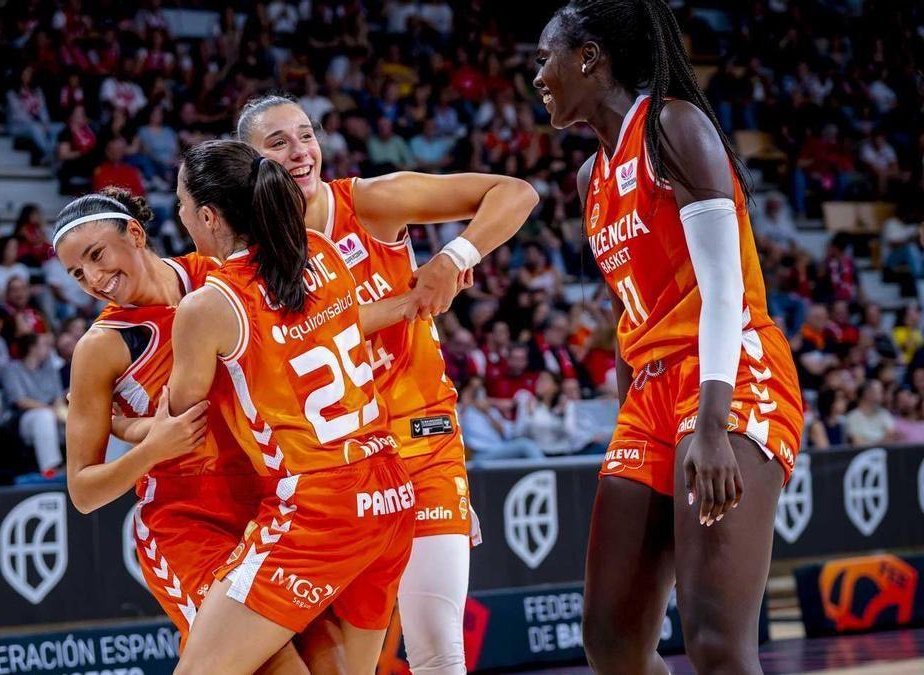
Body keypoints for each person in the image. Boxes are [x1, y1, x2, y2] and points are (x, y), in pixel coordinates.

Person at [532, 2, 805, 672]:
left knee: (716, 642)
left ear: (591, 57)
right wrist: (631, 413)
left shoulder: (674, 126)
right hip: (650, 396)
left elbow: (723, 293)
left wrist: (712, 427)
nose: (539, 75)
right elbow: (636, 317)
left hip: (730, 374)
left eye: (546, 57)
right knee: (612, 641)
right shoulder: (589, 178)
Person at [239, 94, 538, 674]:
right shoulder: (246, 256)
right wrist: (404, 303)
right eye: (278, 143)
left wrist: (454, 255)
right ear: (248, 163)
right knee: (340, 660)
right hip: (326, 465)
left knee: (437, 647)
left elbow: (516, 191)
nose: (300, 151)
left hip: (420, 442)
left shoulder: (368, 202)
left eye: (306, 134)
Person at [167, 141, 417, 675]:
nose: (180, 215)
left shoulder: (208, 304)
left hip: (318, 505)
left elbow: (182, 419)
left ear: (208, 216)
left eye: (181, 203)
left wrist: (116, 415)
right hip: (389, 492)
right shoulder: (321, 251)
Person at [55, 187, 272, 657]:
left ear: (135, 233)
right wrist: (152, 447)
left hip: (270, 498)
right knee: (272, 664)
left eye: (96, 255)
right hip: (187, 521)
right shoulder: (101, 347)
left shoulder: (214, 272)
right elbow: (83, 490)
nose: (93, 278)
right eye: (76, 273)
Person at [2, 334, 65, 473]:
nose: (49, 349)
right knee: (44, 416)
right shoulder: (13, 369)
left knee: (75, 417)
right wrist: (51, 410)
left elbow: (58, 398)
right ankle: (50, 469)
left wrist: (63, 413)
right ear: (32, 348)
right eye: (45, 345)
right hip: (22, 419)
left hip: (51, 412)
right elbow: (20, 401)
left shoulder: (50, 369)